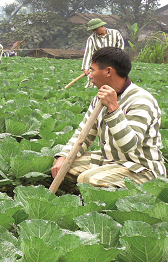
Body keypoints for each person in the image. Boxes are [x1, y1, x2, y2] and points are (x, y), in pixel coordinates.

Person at [51, 47, 165, 188]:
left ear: (108, 71)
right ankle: (105, 187)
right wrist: (63, 157)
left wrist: (113, 108)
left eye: (92, 70)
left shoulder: (141, 100)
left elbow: (130, 145)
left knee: (87, 179)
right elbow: (83, 135)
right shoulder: (99, 98)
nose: (90, 75)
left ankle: (127, 197)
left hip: (141, 168)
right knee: (62, 165)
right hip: (110, 160)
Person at [81, 18, 124, 88]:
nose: (95, 31)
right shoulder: (91, 39)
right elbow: (88, 53)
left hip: (114, 62)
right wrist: (85, 68)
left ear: (102, 26)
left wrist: (116, 61)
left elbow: (120, 48)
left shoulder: (115, 33)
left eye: (96, 29)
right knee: (93, 83)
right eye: (93, 30)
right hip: (99, 64)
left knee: (114, 83)